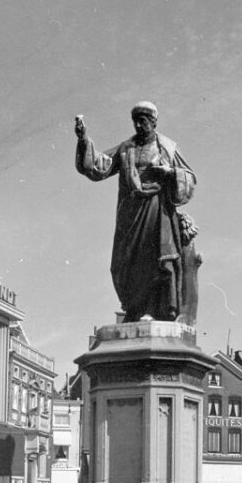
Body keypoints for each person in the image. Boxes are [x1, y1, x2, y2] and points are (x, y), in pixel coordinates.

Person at [74, 102, 201, 326]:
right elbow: (98, 166)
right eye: (136, 121)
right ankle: (135, 308)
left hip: (157, 209)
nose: (139, 125)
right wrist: (84, 139)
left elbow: (189, 178)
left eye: (144, 121)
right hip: (130, 214)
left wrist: (170, 172)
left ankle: (154, 309)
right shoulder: (126, 148)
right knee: (126, 263)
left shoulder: (168, 148)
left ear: (154, 122)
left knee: (155, 260)